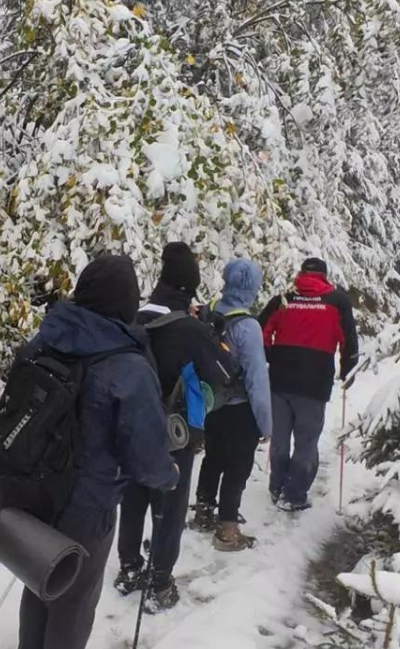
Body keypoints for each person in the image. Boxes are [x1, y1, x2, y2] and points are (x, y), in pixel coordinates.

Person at [17, 255, 180, 649]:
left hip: (31, 489)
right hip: (86, 507)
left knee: (36, 578)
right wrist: (169, 476)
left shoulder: (44, 340)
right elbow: (147, 455)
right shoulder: (127, 366)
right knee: (72, 602)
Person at [114, 242, 236, 611]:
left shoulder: (131, 319)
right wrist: (212, 334)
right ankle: (160, 583)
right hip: (174, 432)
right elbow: (227, 375)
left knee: (133, 499)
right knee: (169, 506)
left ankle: (129, 569)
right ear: (190, 287)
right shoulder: (191, 329)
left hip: (129, 427)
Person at [259, 257, 359, 512]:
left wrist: (272, 355)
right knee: (306, 440)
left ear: (301, 274)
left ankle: (276, 486)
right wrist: (348, 370)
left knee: (280, 437)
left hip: (280, 379)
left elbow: (260, 329)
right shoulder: (337, 301)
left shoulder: (284, 298)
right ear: (325, 276)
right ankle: (294, 494)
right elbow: (348, 339)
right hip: (315, 381)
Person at [192, 259, 272, 551]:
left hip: (211, 402)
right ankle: (227, 530)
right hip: (240, 408)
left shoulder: (210, 311)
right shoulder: (248, 327)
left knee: (213, 457)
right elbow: (256, 379)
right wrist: (265, 423)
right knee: (237, 467)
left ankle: (202, 511)